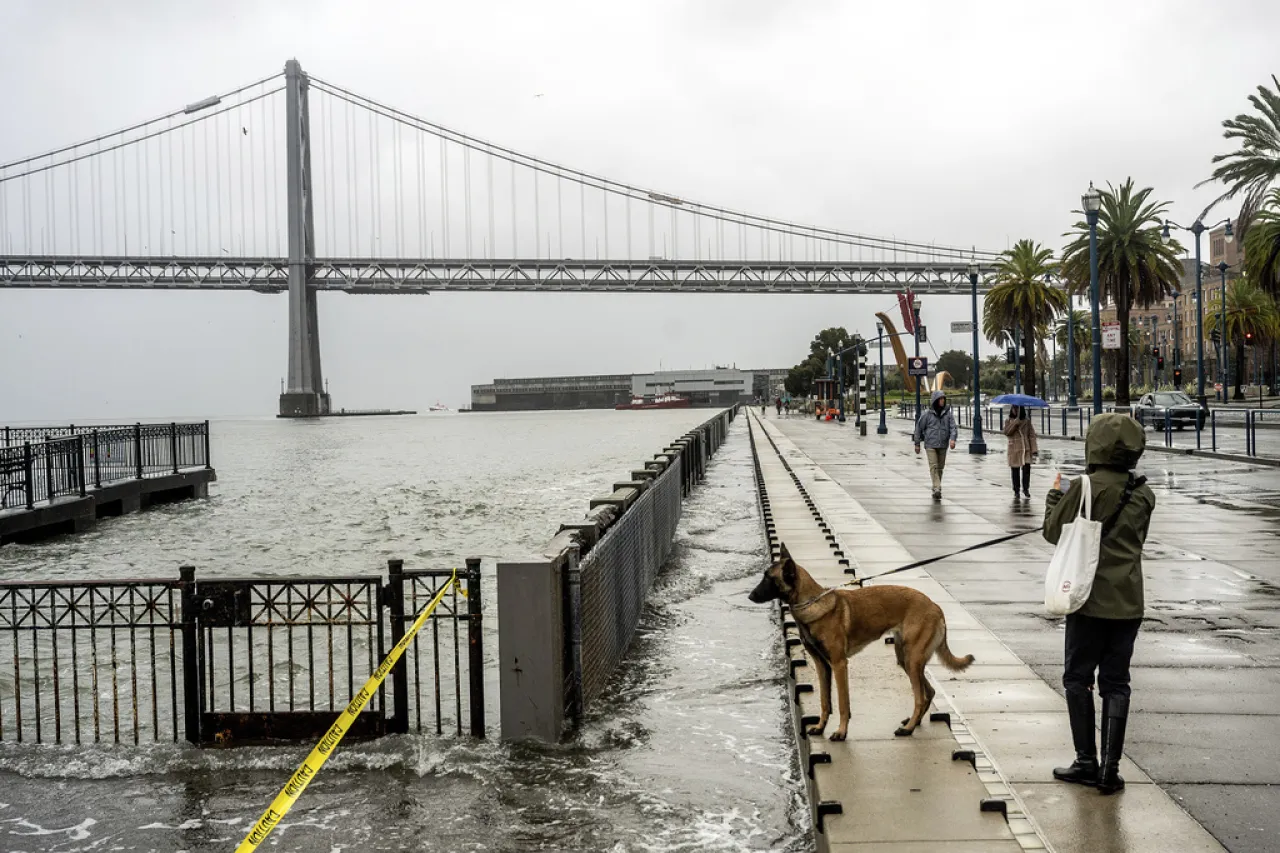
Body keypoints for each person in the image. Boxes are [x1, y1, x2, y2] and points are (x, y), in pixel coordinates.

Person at [1043, 413, 1155, 795]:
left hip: (1087, 599)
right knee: (1116, 682)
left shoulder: (1085, 486)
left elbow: (1052, 532)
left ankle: (1086, 760)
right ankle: (1111, 768)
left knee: (1077, 678)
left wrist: (1055, 496)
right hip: (1128, 602)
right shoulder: (1143, 492)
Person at [913, 390, 957, 499]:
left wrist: (953, 439)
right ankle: (937, 488)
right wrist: (917, 443)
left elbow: (953, 427)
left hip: (943, 444)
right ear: (935, 401)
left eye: (943, 399)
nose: (942, 401)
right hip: (930, 444)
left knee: (940, 468)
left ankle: (935, 486)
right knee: (934, 466)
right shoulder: (927, 415)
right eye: (940, 399)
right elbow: (918, 428)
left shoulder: (948, 414)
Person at [1002, 405, 1039, 499]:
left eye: (1017, 408)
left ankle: (1026, 489)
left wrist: (1034, 449)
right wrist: (1015, 423)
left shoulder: (1027, 421)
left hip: (1026, 449)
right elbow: (1007, 432)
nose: (1015, 410)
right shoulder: (1008, 421)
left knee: (1026, 470)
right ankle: (1016, 490)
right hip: (1014, 449)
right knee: (1015, 471)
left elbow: (1032, 436)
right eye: (1014, 408)